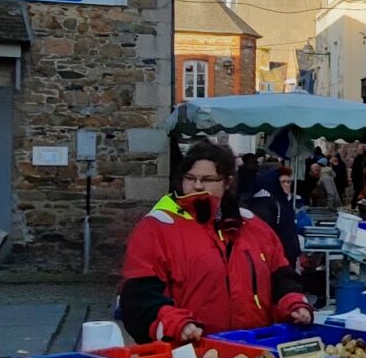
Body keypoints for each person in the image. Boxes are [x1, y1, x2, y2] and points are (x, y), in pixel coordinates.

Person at [116, 141, 311, 344]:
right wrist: (175, 324)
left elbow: (281, 277)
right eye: (190, 178)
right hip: (187, 353)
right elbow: (138, 298)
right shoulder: (156, 227)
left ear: (226, 183)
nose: (198, 186)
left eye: (208, 179)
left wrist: (294, 303)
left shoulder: (253, 226)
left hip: (254, 352)